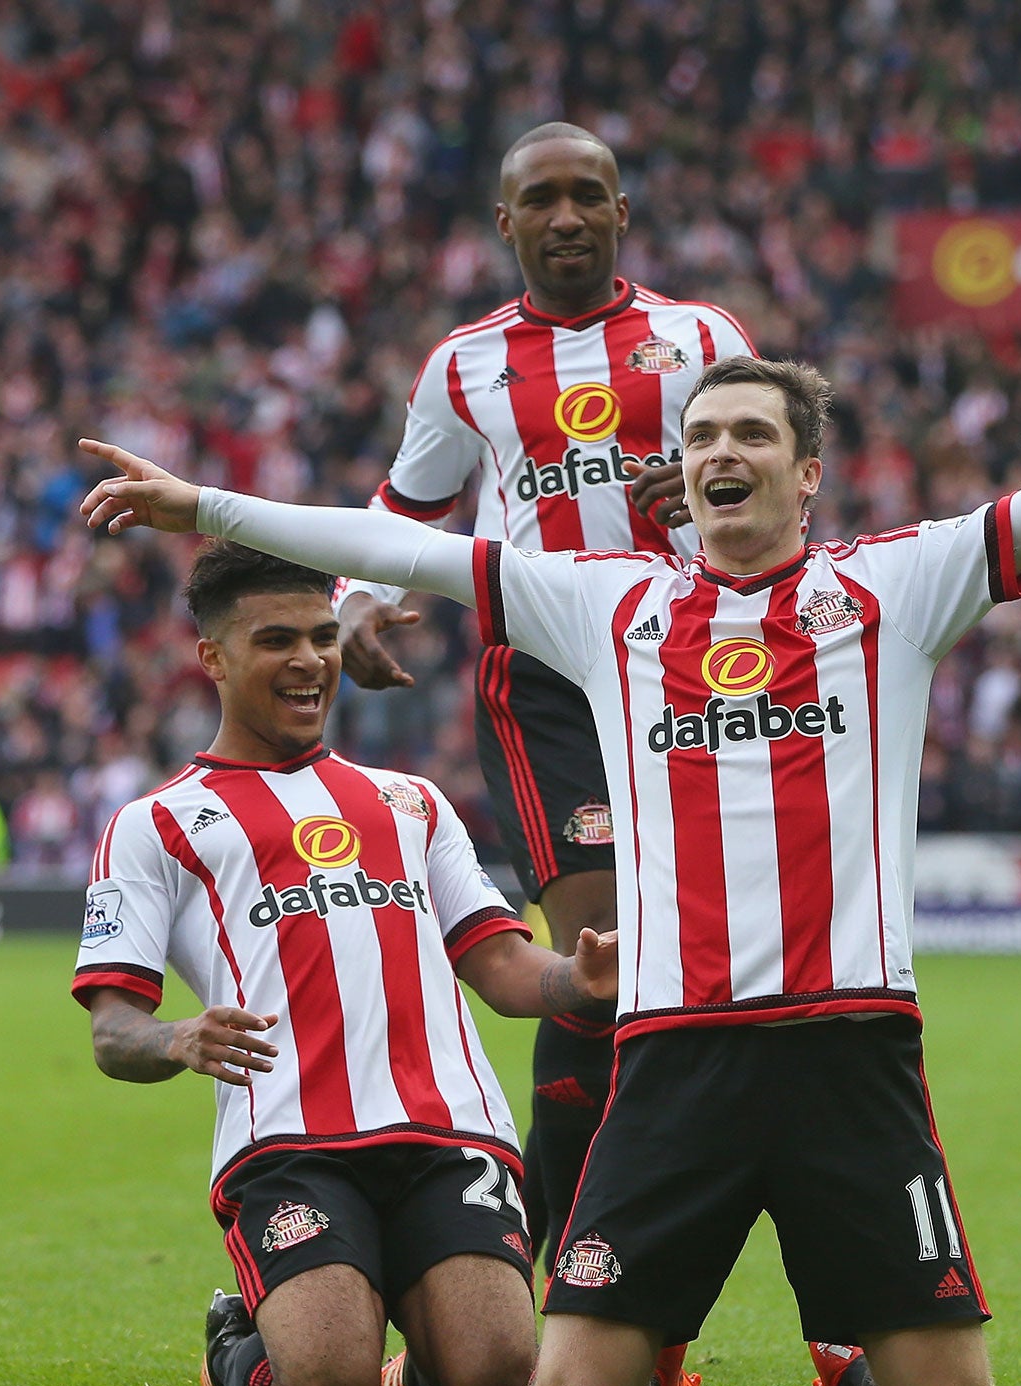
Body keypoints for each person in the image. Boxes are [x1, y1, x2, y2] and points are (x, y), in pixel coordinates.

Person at [78, 303, 1021, 1386]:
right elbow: (405, 549)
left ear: (807, 474)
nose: (722, 452)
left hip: (850, 1044)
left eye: (752, 435)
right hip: (678, 1052)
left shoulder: (903, 586)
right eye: (703, 436)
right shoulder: (611, 607)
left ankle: (856, 1359)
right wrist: (201, 506)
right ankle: (733, 1332)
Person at [334, 123, 756, 1311]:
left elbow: (772, 470)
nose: (566, 217)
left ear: (622, 214)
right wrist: (355, 605)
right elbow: (405, 505)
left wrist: (707, 479)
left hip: (694, 669)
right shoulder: (462, 365)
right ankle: (554, 1272)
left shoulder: (701, 339)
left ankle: (614, 1276)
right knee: (605, 967)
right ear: (505, 224)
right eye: (542, 200)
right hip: (550, 687)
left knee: (715, 974)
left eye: (587, 197)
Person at [74, 542, 644, 1386]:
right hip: (291, 1146)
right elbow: (114, 1029)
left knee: (495, 1378)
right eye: (276, 640)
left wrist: (577, 978)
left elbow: (499, 966)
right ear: (214, 659)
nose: (309, 661)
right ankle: (240, 1339)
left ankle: (425, 1348)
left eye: (321, 636)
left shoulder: (410, 800)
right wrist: (178, 1038)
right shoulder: (154, 825)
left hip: (446, 1131)